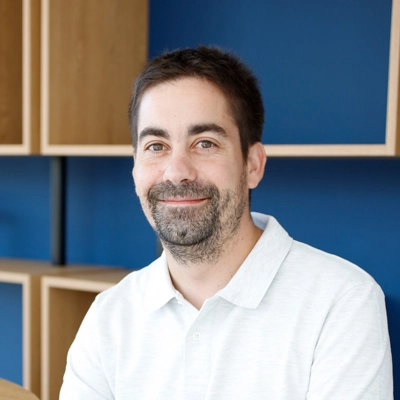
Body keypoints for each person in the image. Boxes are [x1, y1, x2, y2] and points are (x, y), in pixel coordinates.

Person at [60, 46, 393, 399]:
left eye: (205, 143)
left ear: (253, 165)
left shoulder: (342, 302)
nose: (176, 172)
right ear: (134, 168)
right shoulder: (109, 315)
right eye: (156, 146)